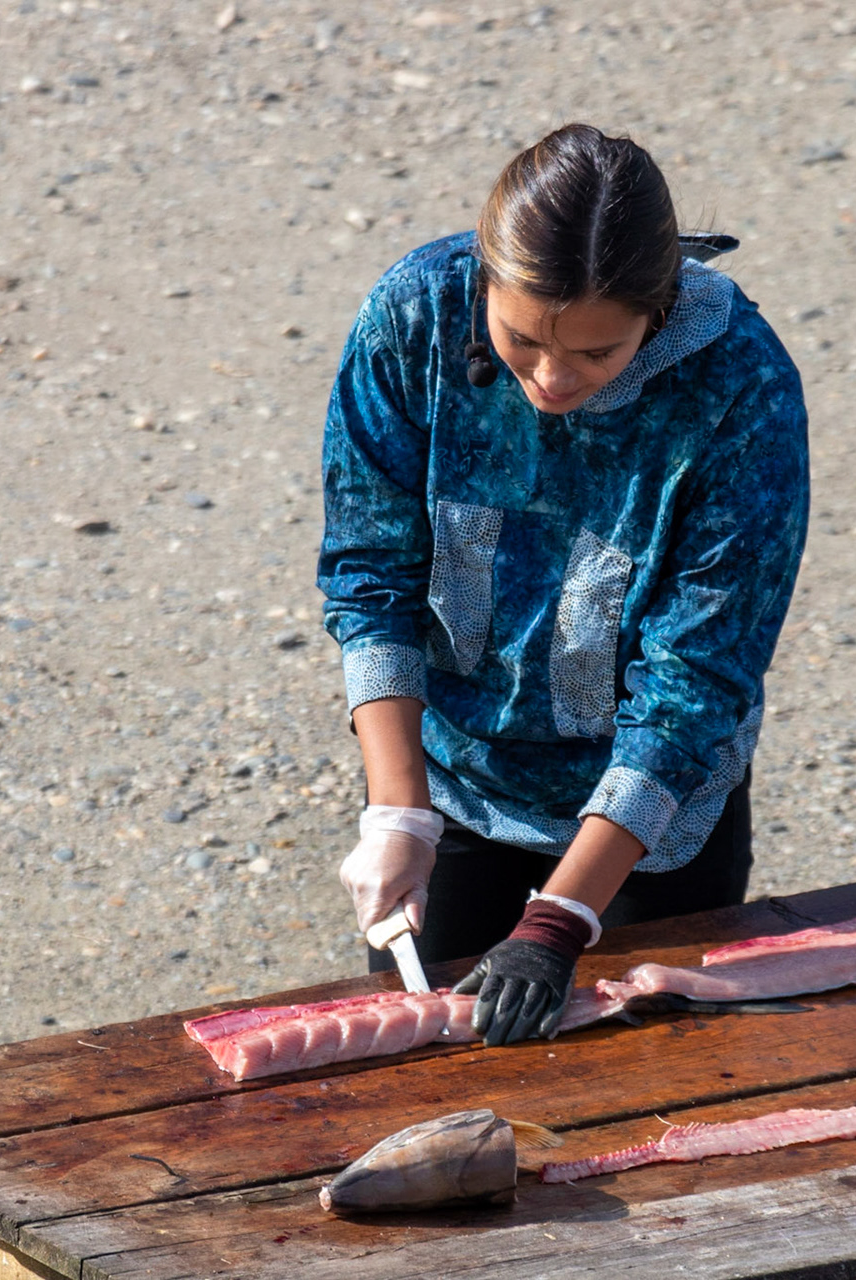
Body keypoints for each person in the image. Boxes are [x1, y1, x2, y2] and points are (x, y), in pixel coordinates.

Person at [317, 123, 809, 1048]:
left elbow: (695, 684)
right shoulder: (413, 317)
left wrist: (559, 922)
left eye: (596, 353)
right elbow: (371, 570)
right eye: (522, 339)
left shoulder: (743, 391)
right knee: (425, 1064)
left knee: (654, 1087)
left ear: (656, 314)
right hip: (458, 778)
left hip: (653, 817)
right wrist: (398, 811)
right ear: (485, 282)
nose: (550, 377)